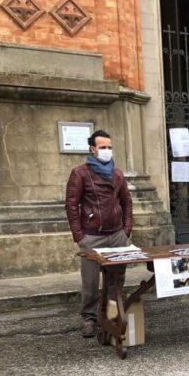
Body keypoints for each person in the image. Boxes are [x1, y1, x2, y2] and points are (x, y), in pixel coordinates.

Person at [65, 130, 132, 337]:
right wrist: (79, 236)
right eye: (103, 147)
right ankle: (89, 318)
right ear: (92, 149)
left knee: (116, 281)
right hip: (92, 236)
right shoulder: (80, 173)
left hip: (117, 235)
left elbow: (127, 202)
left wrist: (126, 230)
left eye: (109, 147)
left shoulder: (117, 174)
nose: (107, 151)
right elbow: (71, 205)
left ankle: (111, 316)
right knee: (91, 282)